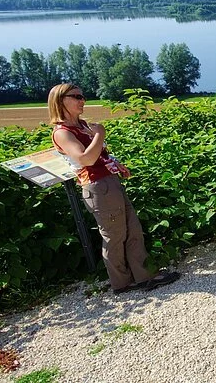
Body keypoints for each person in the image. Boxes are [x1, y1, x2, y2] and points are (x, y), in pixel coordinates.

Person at [48, 83, 180, 295]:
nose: (83, 100)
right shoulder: (62, 132)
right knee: (114, 236)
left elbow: (99, 156)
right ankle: (121, 283)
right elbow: (86, 159)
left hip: (109, 182)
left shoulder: (82, 125)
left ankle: (144, 276)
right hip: (97, 187)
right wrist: (100, 134)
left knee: (133, 230)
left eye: (83, 96)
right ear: (60, 100)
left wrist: (114, 163)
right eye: (76, 96)